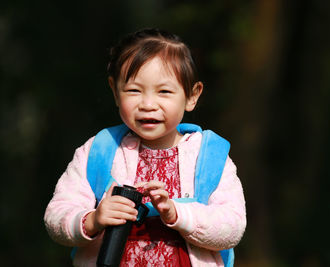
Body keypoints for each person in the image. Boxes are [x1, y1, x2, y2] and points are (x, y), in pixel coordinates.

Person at [44, 28, 246, 267]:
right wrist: (93, 219)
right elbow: (56, 215)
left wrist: (178, 214)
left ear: (192, 96)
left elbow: (232, 227)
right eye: (134, 90)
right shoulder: (99, 151)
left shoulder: (210, 157)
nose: (148, 104)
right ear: (115, 91)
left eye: (164, 92)